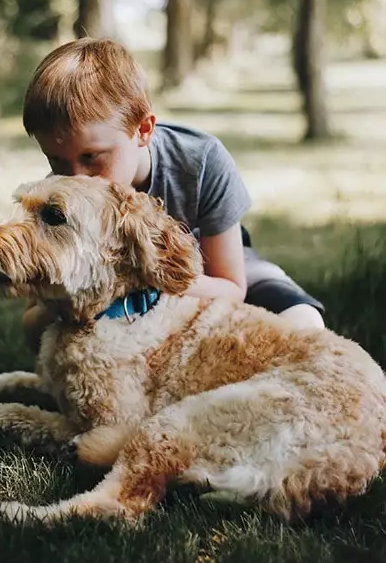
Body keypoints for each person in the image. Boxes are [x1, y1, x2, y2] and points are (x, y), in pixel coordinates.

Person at [21, 37, 324, 347]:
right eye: (56, 160)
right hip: (117, 297)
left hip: (210, 271)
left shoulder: (201, 160)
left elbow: (232, 287)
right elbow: (32, 325)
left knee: (305, 322)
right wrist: (58, 299)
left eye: (91, 157)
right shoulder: (59, 201)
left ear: (142, 130)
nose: (75, 178)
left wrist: (140, 280)